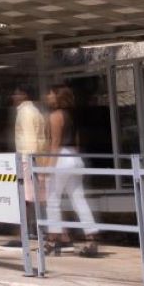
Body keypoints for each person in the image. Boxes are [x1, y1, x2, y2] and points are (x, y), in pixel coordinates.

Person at [44, 84, 100, 256]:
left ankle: (52, 240)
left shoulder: (55, 116)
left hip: (61, 158)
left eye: (50, 93)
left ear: (57, 96)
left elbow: (55, 144)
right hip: (75, 158)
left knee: (52, 199)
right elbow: (75, 142)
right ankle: (91, 238)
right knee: (79, 199)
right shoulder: (72, 116)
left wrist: (47, 168)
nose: (47, 96)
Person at [12, 85, 48, 245]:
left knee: (25, 197)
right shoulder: (35, 111)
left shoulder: (25, 112)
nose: (13, 96)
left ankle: (25, 234)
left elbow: (30, 138)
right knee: (35, 197)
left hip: (27, 157)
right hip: (36, 157)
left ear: (24, 94)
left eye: (16, 93)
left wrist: (30, 159)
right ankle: (36, 230)